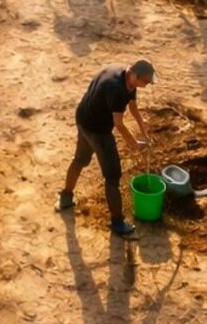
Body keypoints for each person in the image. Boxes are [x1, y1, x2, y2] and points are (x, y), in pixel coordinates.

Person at [56, 60, 155, 237]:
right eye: (145, 82)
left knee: (80, 159)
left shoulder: (125, 75)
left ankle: (65, 197)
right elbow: (118, 124)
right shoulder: (116, 90)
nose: (146, 86)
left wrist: (143, 131)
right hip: (97, 130)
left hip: (83, 118)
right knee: (112, 176)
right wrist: (132, 143)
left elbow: (133, 106)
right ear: (135, 75)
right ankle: (117, 222)